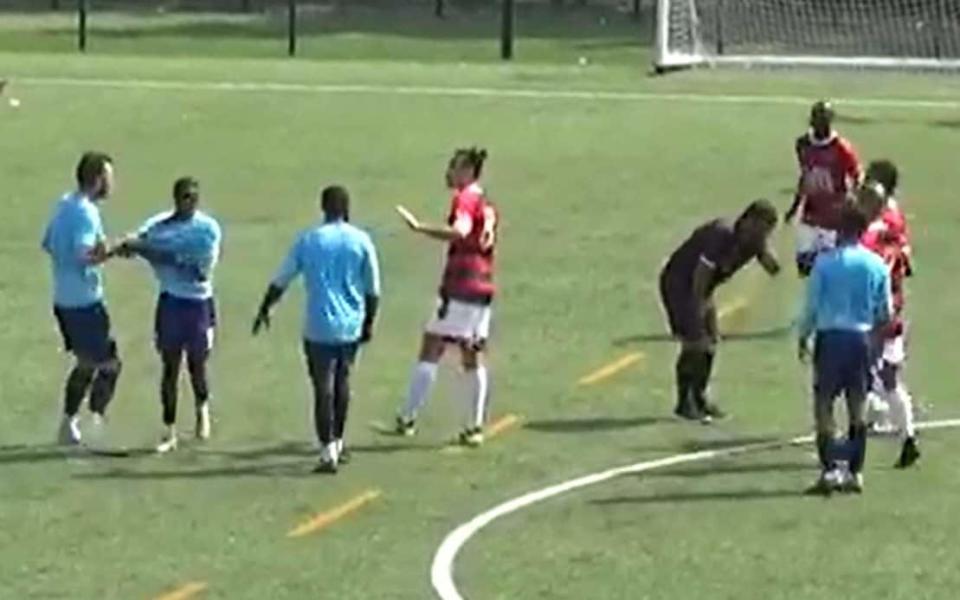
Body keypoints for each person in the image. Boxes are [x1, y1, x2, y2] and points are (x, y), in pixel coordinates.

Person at [253, 186, 380, 474]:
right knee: (343, 381)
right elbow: (373, 289)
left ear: (323, 208)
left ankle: (327, 452)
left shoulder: (309, 240)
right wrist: (369, 323)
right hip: (350, 324)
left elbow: (281, 279)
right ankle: (338, 441)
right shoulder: (361, 240)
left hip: (318, 325)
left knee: (322, 387)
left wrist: (265, 308)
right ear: (347, 208)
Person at [394, 147, 498, 447]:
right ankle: (475, 426)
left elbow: (460, 231)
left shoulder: (465, 199)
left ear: (466, 170)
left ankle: (408, 417)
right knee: (471, 354)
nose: (448, 172)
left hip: (461, 286)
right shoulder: (486, 203)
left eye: (453, 167)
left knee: (431, 346)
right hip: (483, 287)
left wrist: (419, 228)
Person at [119, 177, 222, 454]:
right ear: (176, 199)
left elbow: (192, 267)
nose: (189, 202)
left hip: (198, 305)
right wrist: (123, 246)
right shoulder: (159, 225)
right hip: (170, 303)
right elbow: (137, 243)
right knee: (170, 368)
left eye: (193, 197)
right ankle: (169, 429)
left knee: (197, 366)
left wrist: (144, 250)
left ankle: (202, 409)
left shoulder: (208, 230)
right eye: (184, 197)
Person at [798, 203, 893, 495]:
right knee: (857, 404)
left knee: (824, 403)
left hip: (830, 337)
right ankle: (855, 473)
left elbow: (812, 306)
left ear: (840, 229)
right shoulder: (876, 265)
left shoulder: (825, 264)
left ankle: (829, 471)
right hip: (861, 339)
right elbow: (885, 312)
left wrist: (803, 336)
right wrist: (875, 342)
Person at [659, 200, 781, 423]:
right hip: (680, 284)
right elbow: (701, 273)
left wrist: (773, 264)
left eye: (767, 232)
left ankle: (700, 396)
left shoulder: (754, 240)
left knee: (711, 342)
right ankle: (684, 403)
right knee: (696, 341)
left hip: (703, 288)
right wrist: (699, 306)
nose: (762, 236)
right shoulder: (721, 234)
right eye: (760, 230)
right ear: (746, 221)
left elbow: (770, 264)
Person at [41, 152, 123, 446]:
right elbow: (84, 254)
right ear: (98, 179)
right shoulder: (86, 212)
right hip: (85, 303)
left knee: (87, 362)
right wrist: (113, 250)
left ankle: (70, 424)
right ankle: (94, 419)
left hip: (63, 299)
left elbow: (48, 243)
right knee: (109, 364)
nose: (112, 183)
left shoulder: (64, 204)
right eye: (109, 177)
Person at [857, 177, 920, 468]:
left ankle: (858, 436)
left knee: (860, 377)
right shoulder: (894, 229)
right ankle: (907, 437)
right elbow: (908, 266)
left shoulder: (864, 238)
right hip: (893, 314)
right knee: (888, 378)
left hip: (871, 317)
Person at [785, 101, 862, 277]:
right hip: (810, 214)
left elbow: (857, 176)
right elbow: (805, 175)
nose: (819, 123)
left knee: (829, 268)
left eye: (824, 119)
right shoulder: (803, 144)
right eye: (817, 118)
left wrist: (852, 205)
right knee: (804, 266)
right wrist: (795, 206)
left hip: (833, 218)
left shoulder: (842, 148)